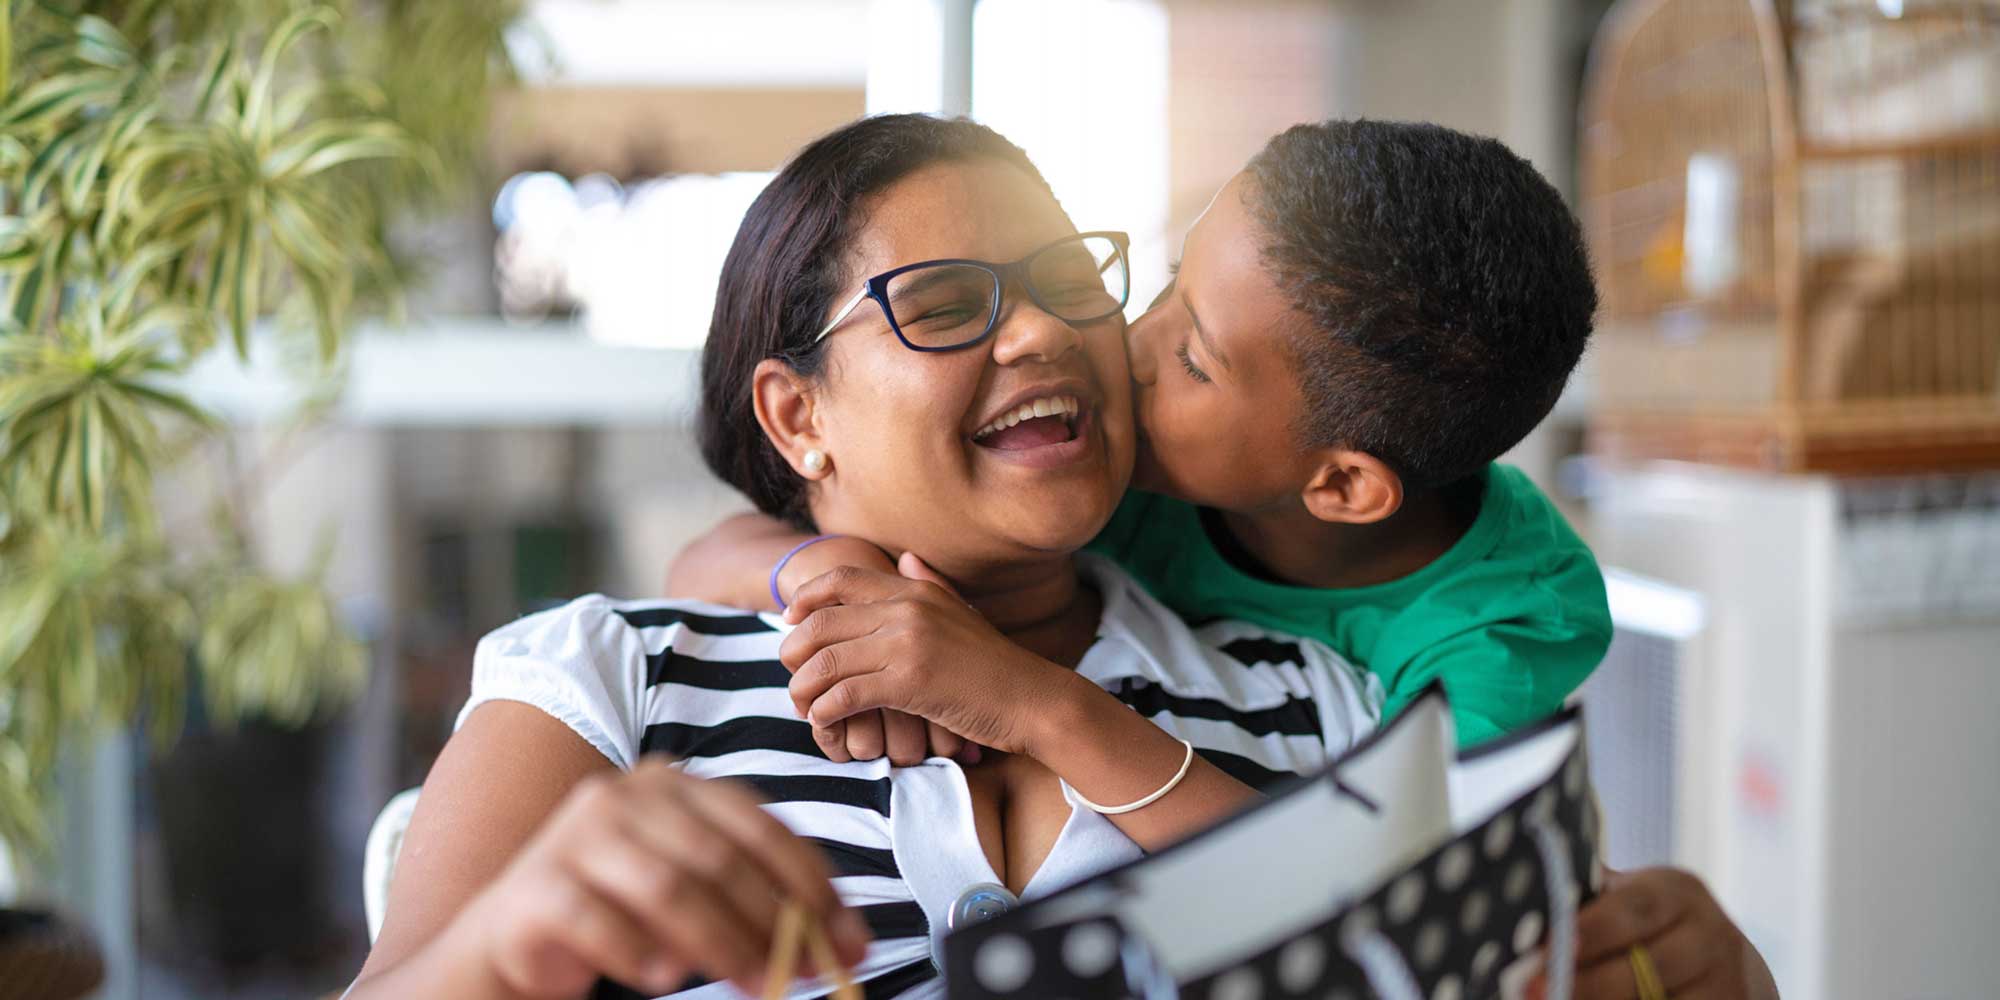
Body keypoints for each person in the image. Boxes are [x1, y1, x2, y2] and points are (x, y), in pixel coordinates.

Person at [344, 114, 1384, 1000]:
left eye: (1067, 281)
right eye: (939, 305)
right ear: (797, 417)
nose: (1038, 334)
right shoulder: (609, 677)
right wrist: (510, 937)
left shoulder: (1309, 698)